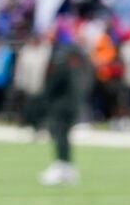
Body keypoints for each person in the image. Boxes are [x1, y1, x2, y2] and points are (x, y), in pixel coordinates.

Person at [38, 25, 91, 187]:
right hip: (72, 103)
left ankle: (62, 166)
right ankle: (66, 166)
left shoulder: (61, 57)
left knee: (60, 135)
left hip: (62, 104)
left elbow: (54, 83)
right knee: (63, 136)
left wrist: (44, 98)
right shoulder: (78, 57)